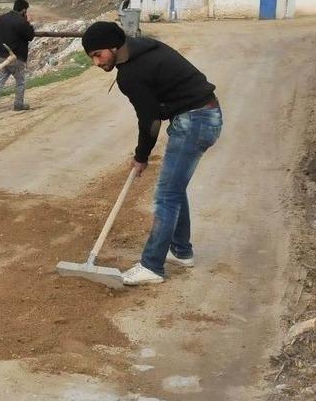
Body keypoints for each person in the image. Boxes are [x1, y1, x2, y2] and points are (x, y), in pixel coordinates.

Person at [82, 21, 223, 286]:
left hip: (195, 120)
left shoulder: (131, 73)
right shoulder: (143, 48)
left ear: (113, 47)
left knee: (166, 194)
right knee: (175, 188)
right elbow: (155, 113)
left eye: (97, 55)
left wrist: (141, 156)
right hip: (203, 116)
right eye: (92, 58)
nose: (96, 63)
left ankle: (152, 266)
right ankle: (182, 251)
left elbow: (150, 121)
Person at [0, 0, 35, 115]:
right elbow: (30, 36)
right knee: (20, 81)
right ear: (23, 10)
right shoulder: (21, 22)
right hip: (15, 57)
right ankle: (18, 104)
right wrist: (29, 23)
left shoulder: (0, 19)